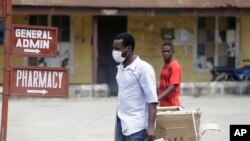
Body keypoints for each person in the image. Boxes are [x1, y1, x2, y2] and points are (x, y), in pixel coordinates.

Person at [112, 32, 158, 141]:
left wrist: (151, 127)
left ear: (128, 48)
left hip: (137, 126)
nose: (115, 52)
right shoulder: (120, 68)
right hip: (121, 123)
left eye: (118, 49)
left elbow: (152, 99)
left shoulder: (144, 68)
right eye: (114, 48)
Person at [158, 42, 182, 107]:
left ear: (173, 52)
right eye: (164, 51)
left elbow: (173, 86)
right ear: (161, 52)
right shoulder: (166, 65)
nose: (166, 53)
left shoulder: (175, 66)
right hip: (164, 103)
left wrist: (158, 98)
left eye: (168, 51)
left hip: (172, 104)